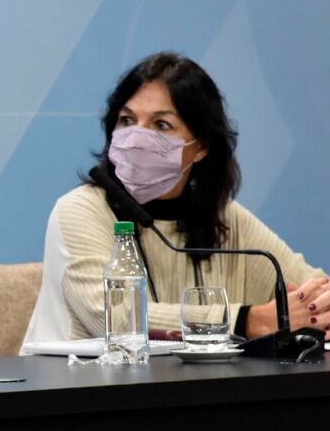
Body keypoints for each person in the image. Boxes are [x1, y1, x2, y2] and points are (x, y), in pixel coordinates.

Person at [22, 52, 328, 347]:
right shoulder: (80, 211)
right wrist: (244, 320)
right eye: (127, 120)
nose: (137, 138)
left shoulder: (224, 218)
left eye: (161, 125)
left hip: (192, 394)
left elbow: (313, 290)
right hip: (80, 392)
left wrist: (317, 309)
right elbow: (117, 318)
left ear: (201, 146)